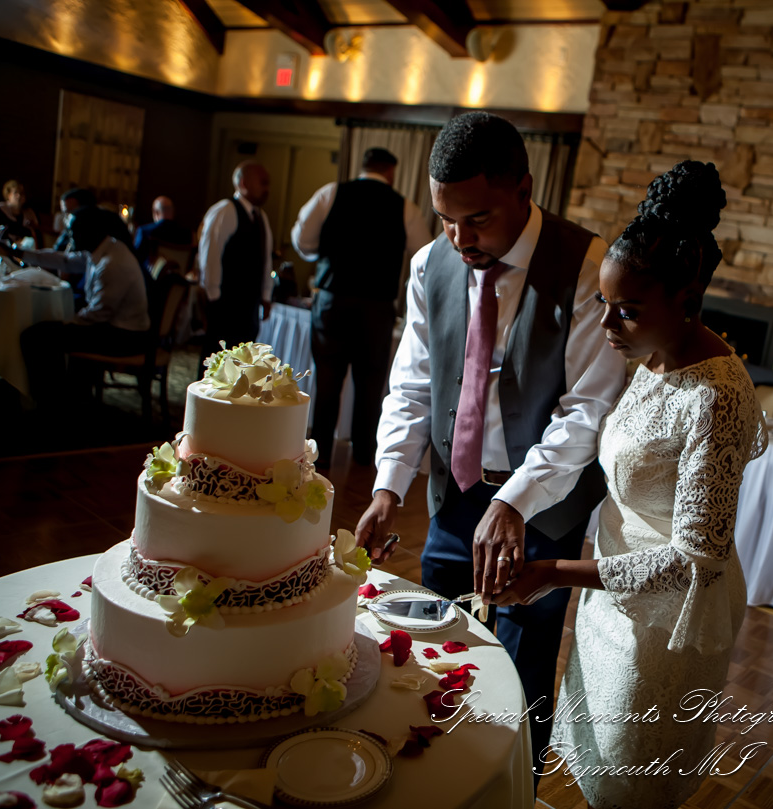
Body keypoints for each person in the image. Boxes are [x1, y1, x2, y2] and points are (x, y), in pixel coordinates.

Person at [354, 112, 627, 768]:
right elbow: (414, 384)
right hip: (456, 499)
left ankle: (513, 788)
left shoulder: (589, 266)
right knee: (436, 654)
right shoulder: (430, 264)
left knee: (522, 675)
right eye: (446, 218)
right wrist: (390, 485)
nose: (458, 237)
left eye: (476, 219)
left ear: (523, 189)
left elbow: (587, 410)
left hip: (542, 509)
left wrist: (517, 500)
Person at [491, 161, 768, 807]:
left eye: (629, 309)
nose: (610, 325)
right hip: (613, 594)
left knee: (631, 778)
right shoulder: (653, 355)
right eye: (604, 305)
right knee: (599, 761)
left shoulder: (717, 396)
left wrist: (556, 570)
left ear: (685, 298)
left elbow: (694, 558)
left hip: (668, 620)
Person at [291, 147, 432, 468]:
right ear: (391, 172)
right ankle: (364, 455)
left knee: (326, 379)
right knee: (370, 385)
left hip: (332, 301)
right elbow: (423, 256)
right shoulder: (404, 206)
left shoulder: (331, 193)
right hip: (376, 308)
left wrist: (324, 256)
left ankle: (320, 452)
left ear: (362, 166)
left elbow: (302, 240)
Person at [10, 206, 150, 406]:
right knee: (46, 332)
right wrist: (19, 252)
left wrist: (65, 320)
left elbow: (97, 314)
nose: (68, 236)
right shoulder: (103, 246)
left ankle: (48, 403)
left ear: (90, 232)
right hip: (113, 327)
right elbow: (65, 261)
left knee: (36, 336)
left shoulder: (112, 263)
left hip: (124, 337)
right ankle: (60, 397)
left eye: (72, 231)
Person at [198, 161, 274, 360]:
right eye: (263, 183)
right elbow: (210, 256)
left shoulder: (261, 217)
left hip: (248, 307)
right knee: (217, 363)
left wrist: (266, 295)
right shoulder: (225, 211)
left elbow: (265, 260)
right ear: (243, 183)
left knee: (242, 363)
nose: (267, 189)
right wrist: (214, 298)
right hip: (225, 304)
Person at [133, 195, 193, 269]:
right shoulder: (187, 235)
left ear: (156, 212)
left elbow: (134, 260)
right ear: (173, 211)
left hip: (150, 279)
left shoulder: (145, 231)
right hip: (178, 279)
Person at [0, 179, 42, 246]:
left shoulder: (29, 212)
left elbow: (35, 232)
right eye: (16, 193)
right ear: (8, 195)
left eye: (22, 193)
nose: (19, 196)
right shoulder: (0, 209)